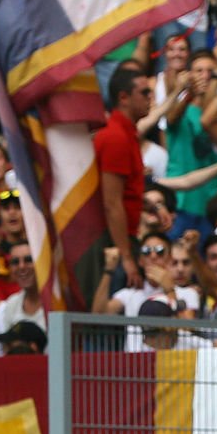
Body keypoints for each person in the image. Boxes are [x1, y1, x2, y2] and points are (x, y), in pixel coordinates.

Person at [93, 66, 149, 291]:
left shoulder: (126, 134)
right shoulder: (116, 137)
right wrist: (125, 257)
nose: (150, 98)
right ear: (124, 98)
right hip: (115, 243)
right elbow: (111, 202)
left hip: (121, 238)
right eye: (144, 93)